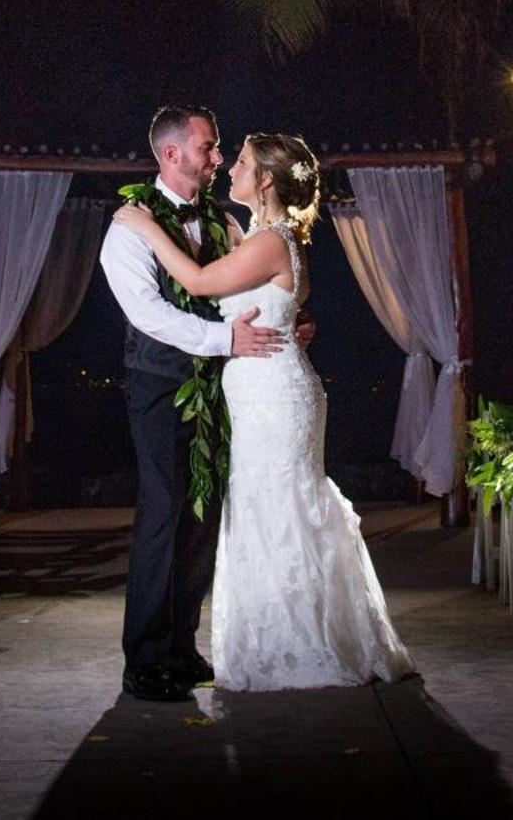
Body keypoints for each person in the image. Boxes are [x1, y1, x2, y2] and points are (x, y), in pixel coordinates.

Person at [115, 132, 415, 691]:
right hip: (255, 391)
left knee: (274, 506)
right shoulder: (248, 233)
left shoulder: (267, 239)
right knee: (265, 507)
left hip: (270, 397)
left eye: (243, 161)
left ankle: (295, 645)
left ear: (266, 181)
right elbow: (254, 301)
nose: (228, 165)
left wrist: (150, 230)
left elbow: (203, 282)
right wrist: (290, 322)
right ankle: (276, 639)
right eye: (220, 152)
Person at [98, 105, 301, 703]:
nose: (216, 158)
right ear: (171, 155)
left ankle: (181, 647)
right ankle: (145, 659)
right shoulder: (129, 227)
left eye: (218, 151)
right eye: (208, 148)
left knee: (203, 512)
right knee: (164, 510)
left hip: (219, 386)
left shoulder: (220, 221)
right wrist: (224, 340)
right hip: (159, 385)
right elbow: (149, 314)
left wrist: (282, 323)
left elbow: (238, 292)